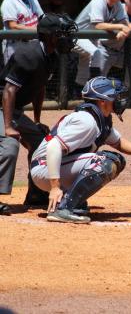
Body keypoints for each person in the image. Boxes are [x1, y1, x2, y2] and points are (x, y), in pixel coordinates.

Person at [30, 76, 131, 224]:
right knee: (105, 161)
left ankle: (71, 200)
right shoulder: (87, 121)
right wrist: (54, 187)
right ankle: (63, 209)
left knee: (117, 160)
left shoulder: (99, 119)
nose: (120, 100)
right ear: (103, 100)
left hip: (55, 166)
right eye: (115, 96)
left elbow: (118, 142)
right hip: (45, 168)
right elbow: (54, 146)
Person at [0, 13, 77, 215]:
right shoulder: (28, 54)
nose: (67, 39)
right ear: (50, 35)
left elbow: (39, 87)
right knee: (8, 147)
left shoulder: (50, 56)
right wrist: (8, 127)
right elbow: (9, 91)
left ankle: (36, 194)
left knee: (42, 143)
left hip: (12, 110)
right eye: (62, 34)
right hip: (3, 107)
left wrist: (36, 120)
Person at [73, 0, 129, 94]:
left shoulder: (117, 4)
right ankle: (95, 89)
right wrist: (119, 27)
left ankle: (77, 93)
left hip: (92, 38)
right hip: (77, 35)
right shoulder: (98, 1)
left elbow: (124, 22)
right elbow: (98, 25)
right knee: (96, 53)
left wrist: (119, 30)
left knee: (84, 67)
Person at [1, 0, 44, 64]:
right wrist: (35, 29)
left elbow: (41, 17)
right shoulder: (8, 2)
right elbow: (13, 26)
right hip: (15, 46)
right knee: (12, 77)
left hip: (33, 45)